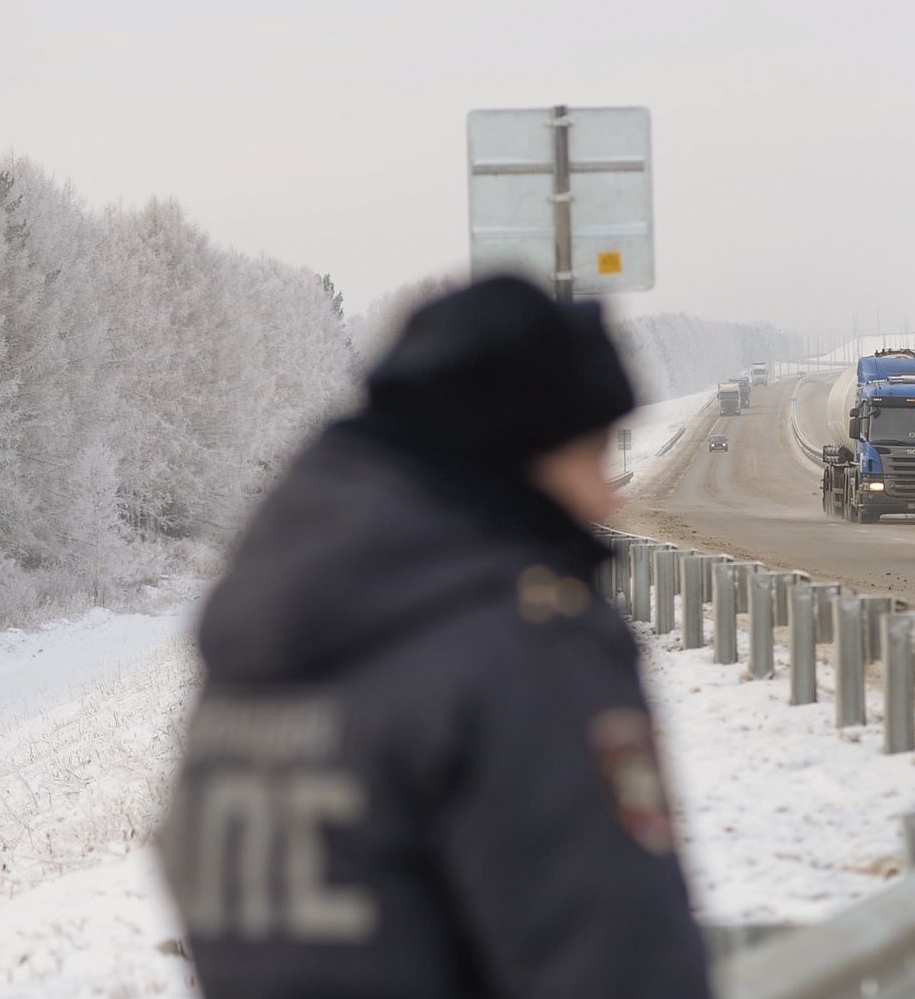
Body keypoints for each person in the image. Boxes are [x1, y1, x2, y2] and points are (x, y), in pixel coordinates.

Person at [159, 275, 711, 998]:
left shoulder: (249, 659)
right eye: (593, 453)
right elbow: (615, 952)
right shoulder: (526, 650)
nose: (610, 495)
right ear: (507, 452)